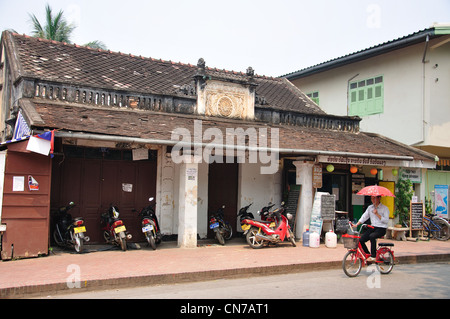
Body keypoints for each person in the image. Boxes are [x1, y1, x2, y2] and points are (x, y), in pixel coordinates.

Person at [352, 196, 389, 262]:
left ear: (379, 198)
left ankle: (373, 256)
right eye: (371, 198)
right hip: (373, 227)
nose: (372, 200)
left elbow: (386, 220)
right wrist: (357, 224)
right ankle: (368, 255)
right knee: (361, 240)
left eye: (374, 198)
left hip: (381, 228)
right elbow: (364, 216)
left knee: (372, 236)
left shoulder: (385, 208)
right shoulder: (370, 207)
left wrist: (377, 214)